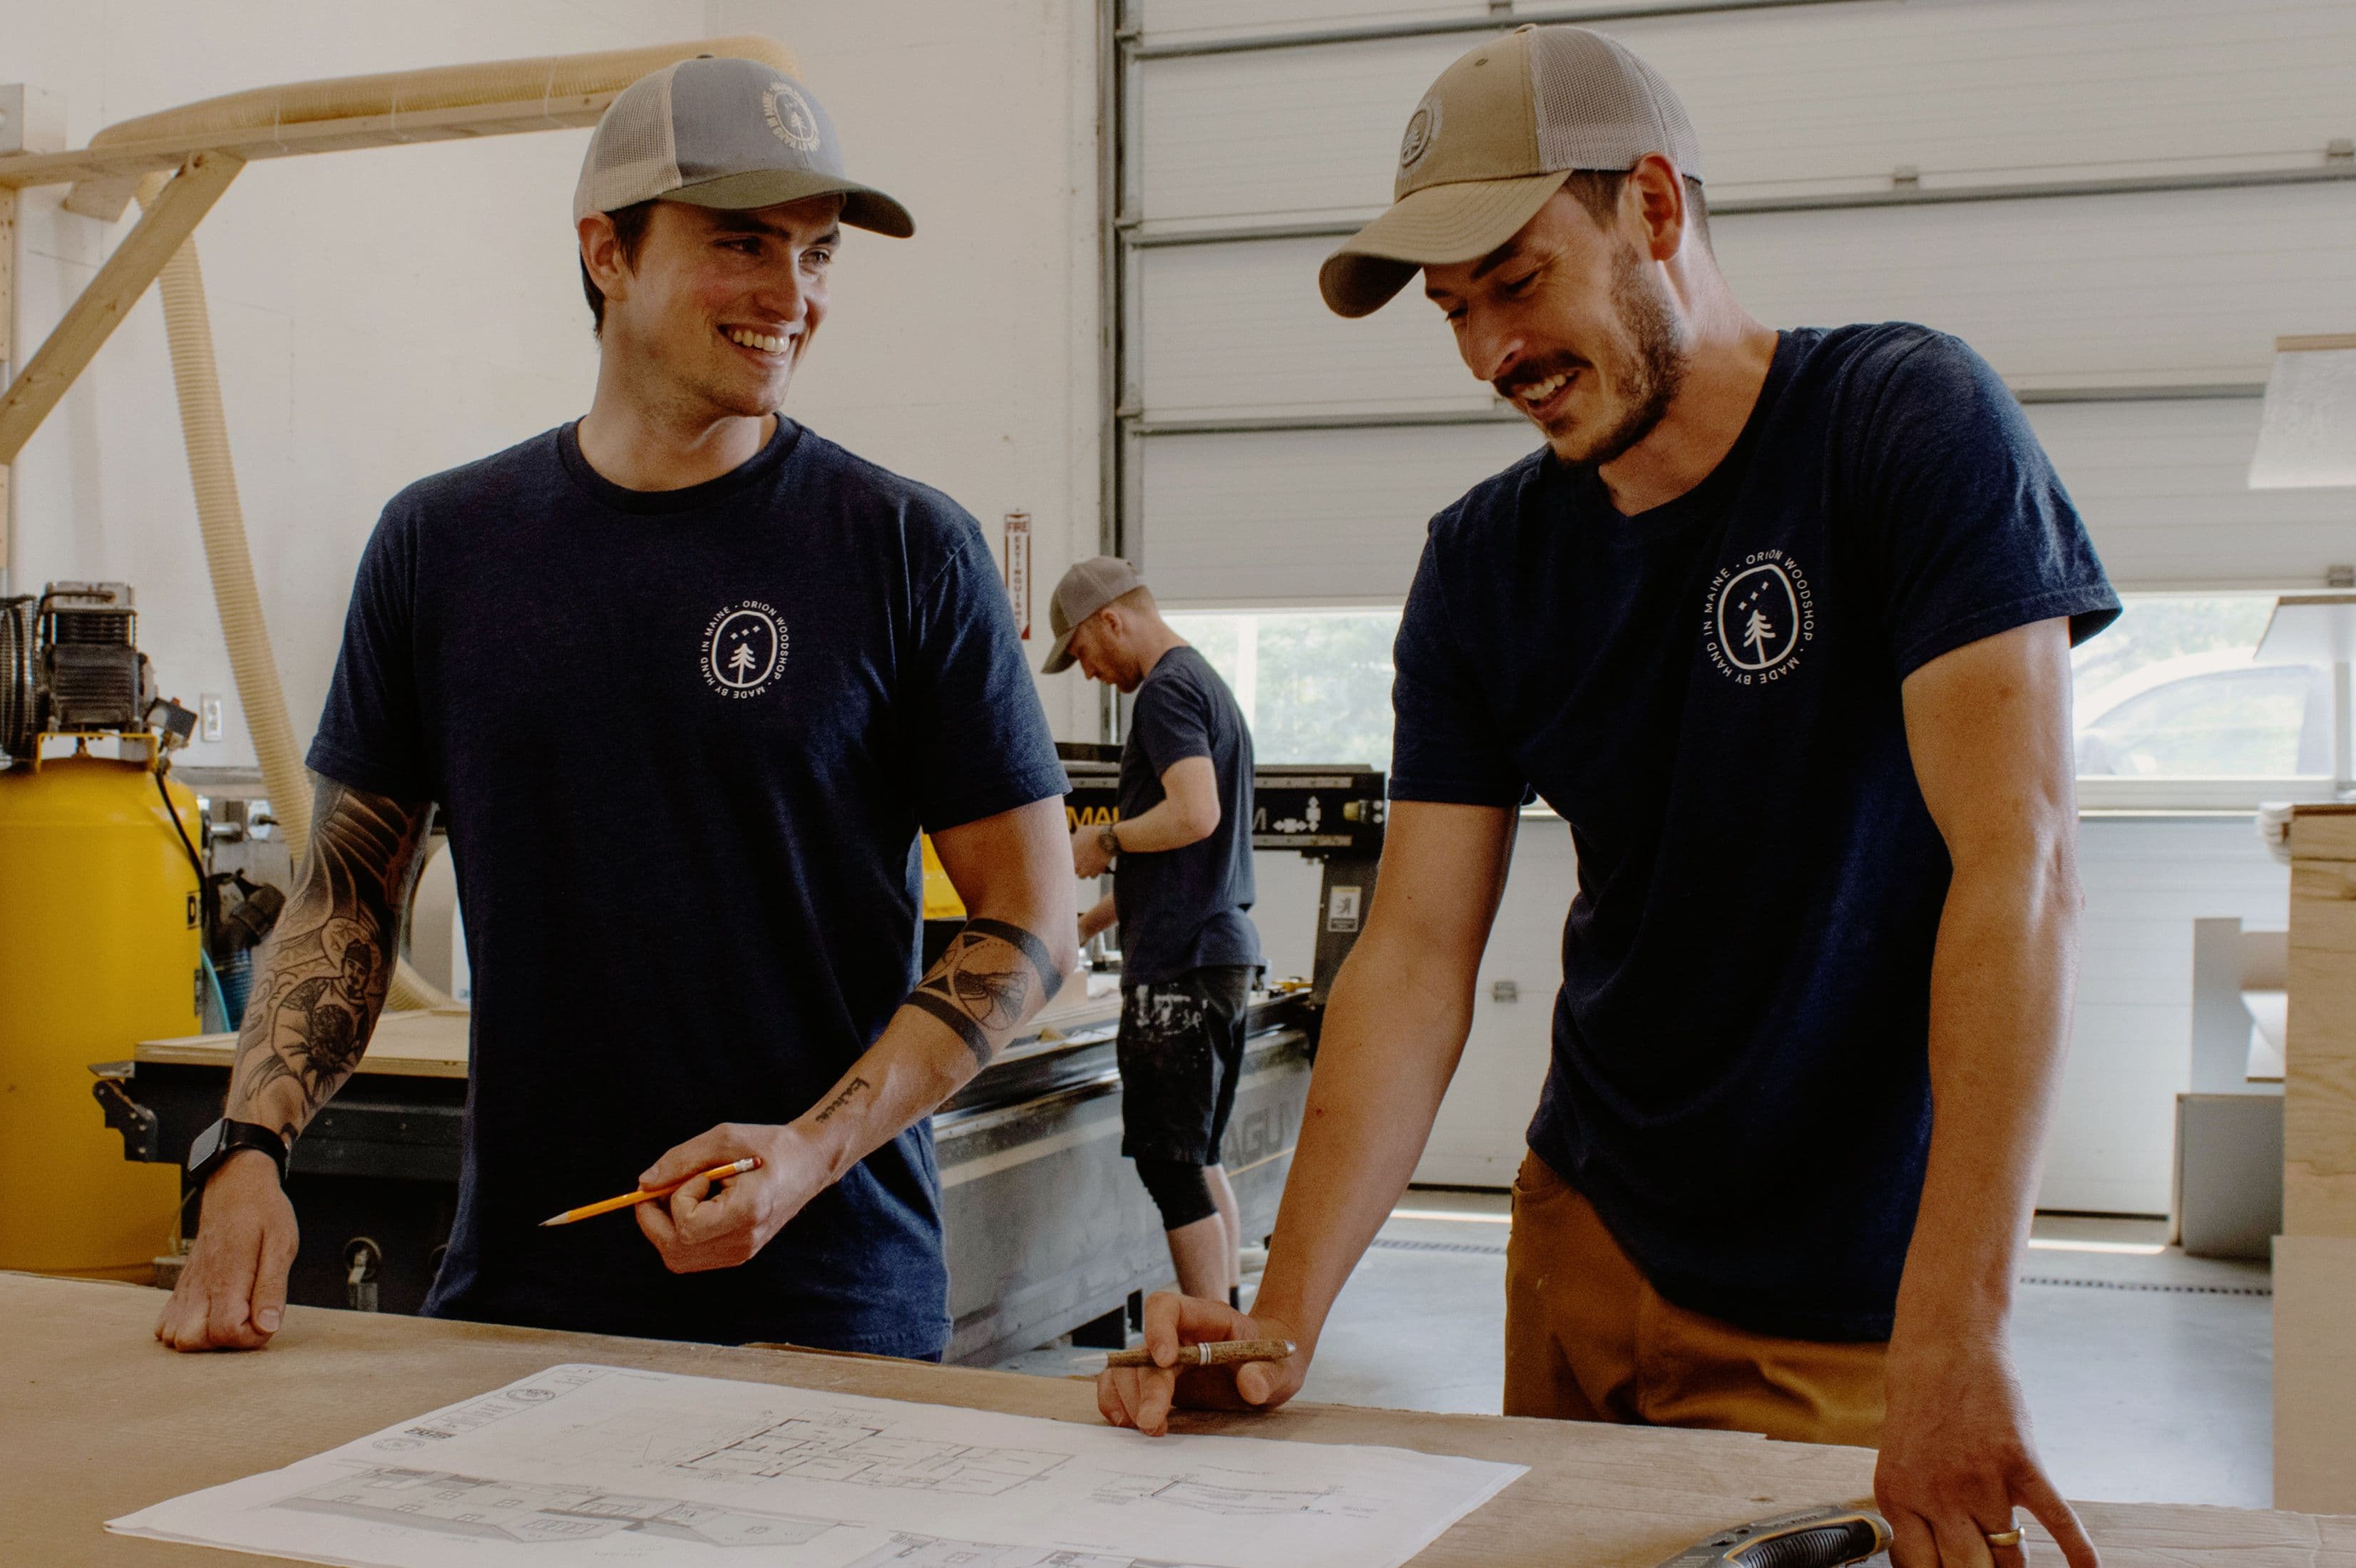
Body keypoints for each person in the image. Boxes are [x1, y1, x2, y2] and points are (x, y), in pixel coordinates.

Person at [1095, 26, 2114, 1568]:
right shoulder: (1485, 564)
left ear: (1651, 205)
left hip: (1836, 1294)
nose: (1488, 353)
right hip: (1581, 1238)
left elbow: (2016, 872)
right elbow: (1421, 951)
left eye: (1515, 282)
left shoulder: (1899, 427)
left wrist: (1958, 1328)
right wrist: (1279, 1310)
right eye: (1451, 311)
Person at [155, 58, 1076, 1362]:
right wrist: (249, 1146)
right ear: (606, 254)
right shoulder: (442, 545)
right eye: (742, 243)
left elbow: (1030, 916)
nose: (790, 296)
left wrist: (809, 1151)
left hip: (826, 1303)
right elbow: (347, 891)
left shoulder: (903, 550)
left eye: (815, 254)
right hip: (517, 1295)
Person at [1043, 558, 1263, 1306]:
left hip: (1180, 968)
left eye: (1082, 654)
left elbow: (1192, 816)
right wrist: (1087, 922)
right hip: (1214, 953)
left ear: (1111, 619)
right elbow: (1185, 857)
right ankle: (1226, 1332)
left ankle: (1207, 1336)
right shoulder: (1205, 685)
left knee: (1171, 1167)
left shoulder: (1166, 692)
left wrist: (1102, 841)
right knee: (1197, 1159)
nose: (1090, 673)